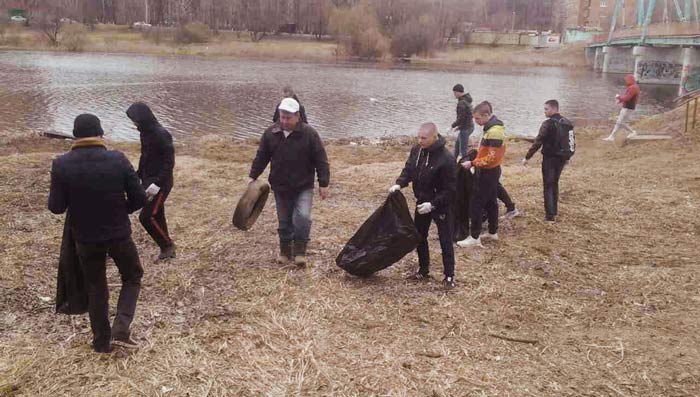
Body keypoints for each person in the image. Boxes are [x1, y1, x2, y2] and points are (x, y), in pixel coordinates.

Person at [48, 114, 146, 353]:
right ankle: (121, 329)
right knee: (132, 276)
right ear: (100, 134)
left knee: (95, 285)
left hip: (85, 237)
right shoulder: (118, 159)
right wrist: (120, 210)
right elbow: (139, 198)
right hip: (118, 233)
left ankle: (101, 341)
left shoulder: (61, 164)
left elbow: (56, 207)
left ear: (75, 135)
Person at [249, 97, 330, 266]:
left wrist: (323, 183)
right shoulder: (270, 133)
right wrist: (253, 176)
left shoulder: (310, 134)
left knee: (303, 217)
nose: (284, 121)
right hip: (280, 186)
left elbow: (321, 159)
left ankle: (300, 251)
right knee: (284, 220)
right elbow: (261, 156)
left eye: (288, 117)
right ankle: (285, 251)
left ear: (297, 116)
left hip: (303, 186)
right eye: (282, 117)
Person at [390, 123, 457, 288]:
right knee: (420, 236)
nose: (420, 141)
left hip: (441, 205)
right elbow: (409, 169)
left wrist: (433, 204)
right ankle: (423, 270)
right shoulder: (417, 150)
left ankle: (449, 276)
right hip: (421, 202)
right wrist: (399, 184)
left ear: (435, 137)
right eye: (418, 137)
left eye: (424, 138)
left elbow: (450, 190)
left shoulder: (447, 159)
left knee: (445, 239)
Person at [126, 102, 176, 261]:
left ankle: (168, 245)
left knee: (146, 217)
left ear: (142, 117)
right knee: (157, 214)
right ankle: (168, 250)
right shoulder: (145, 133)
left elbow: (169, 162)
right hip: (148, 179)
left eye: (134, 119)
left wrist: (158, 184)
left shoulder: (161, 134)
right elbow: (145, 156)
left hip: (161, 182)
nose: (133, 123)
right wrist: (138, 175)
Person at [457, 101, 506, 248]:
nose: (475, 121)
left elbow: (492, 157)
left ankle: (475, 237)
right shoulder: (491, 128)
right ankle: (492, 231)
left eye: (477, 118)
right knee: (491, 201)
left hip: (487, 172)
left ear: (486, 115)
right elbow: (487, 152)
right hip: (490, 171)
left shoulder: (495, 132)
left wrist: (472, 163)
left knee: (476, 204)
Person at [522, 100, 574, 222]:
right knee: (555, 183)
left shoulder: (547, 124)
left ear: (554, 109)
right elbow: (571, 141)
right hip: (561, 158)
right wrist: (568, 157)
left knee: (548, 185)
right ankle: (554, 210)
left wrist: (527, 157)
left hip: (550, 158)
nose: (544, 111)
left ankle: (550, 216)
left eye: (546, 109)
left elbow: (538, 141)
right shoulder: (567, 123)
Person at [603, 74, 640, 141]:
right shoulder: (633, 86)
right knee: (619, 122)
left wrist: (618, 97)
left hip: (628, 108)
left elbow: (627, 98)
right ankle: (612, 136)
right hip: (628, 107)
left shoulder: (632, 88)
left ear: (630, 80)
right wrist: (620, 100)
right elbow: (628, 97)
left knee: (620, 122)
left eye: (627, 80)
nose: (626, 82)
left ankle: (633, 132)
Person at [451, 84, 474, 159]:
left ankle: (465, 166)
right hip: (469, 126)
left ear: (458, 92)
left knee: (463, 150)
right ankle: (453, 163)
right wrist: (459, 127)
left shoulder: (461, 103)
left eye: (454, 92)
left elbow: (461, 118)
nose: (454, 95)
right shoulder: (467, 100)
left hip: (465, 128)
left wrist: (453, 125)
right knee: (457, 146)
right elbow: (468, 116)